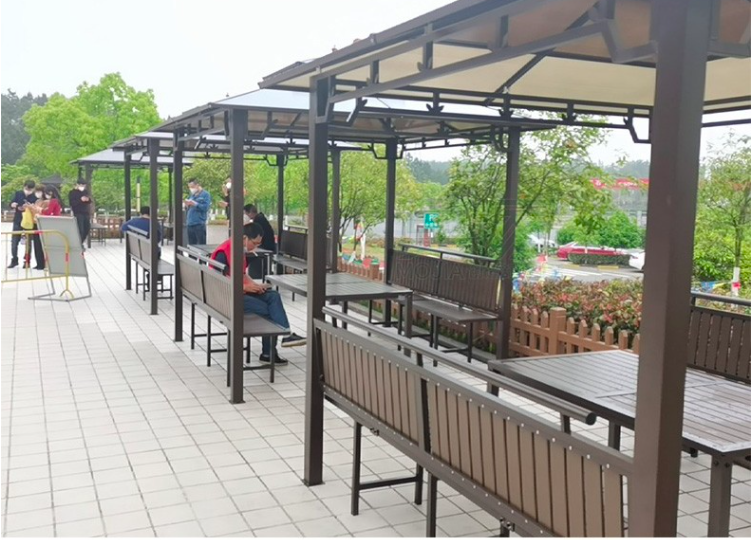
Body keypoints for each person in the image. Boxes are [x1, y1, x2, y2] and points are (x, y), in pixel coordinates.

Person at [210, 223, 306, 365]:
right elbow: (218, 282)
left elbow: (242, 274)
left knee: (273, 296)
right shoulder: (224, 252)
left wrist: (255, 286)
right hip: (226, 298)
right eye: (254, 243)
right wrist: (245, 288)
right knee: (270, 312)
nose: (255, 247)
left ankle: (286, 335)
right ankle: (269, 352)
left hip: (236, 293)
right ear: (244, 238)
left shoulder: (236, 248)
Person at [8, 180, 41, 269]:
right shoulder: (18, 193)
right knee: (14, 242)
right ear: (24, 186)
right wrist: (13, 205)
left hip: (29, 222)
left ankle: (27, 261)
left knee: (28, 243)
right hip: (18, 220)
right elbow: (11, 203)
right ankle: (14, 260)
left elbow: (36, 208)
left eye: (30, 189)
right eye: (27, 189)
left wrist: (29, 207)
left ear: (33, 189)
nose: (28, 191)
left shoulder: (35, 197)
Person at [185, 179, 211, 245]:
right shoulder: (192, 195)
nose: (191, 189)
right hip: (190, 223)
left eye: (192, 187)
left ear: (197, 185)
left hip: (199, 223)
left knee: (201, 244)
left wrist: (195, 204)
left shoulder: (205, 195)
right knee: (191, 245)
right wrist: (187, 204)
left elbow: (205, 207)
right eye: (189, 187)